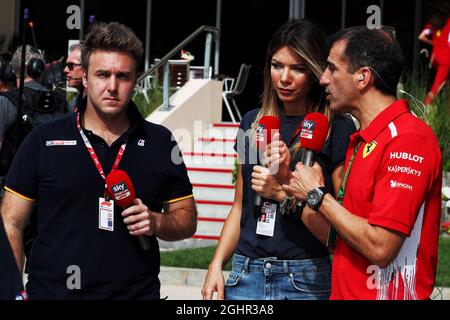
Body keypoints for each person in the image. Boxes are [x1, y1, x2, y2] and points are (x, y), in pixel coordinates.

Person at [1, 22, 197, 299]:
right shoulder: (43, 139)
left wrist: (156, 222)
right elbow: (11, 221)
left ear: (136, 79)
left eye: (123, 76)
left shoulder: (160, 142)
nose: (112, 87)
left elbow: (187, 219)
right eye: (102, 75)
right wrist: (12, 291)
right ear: (85, 77)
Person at [201, 19, 356, 300]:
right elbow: (240, 207)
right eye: (277, 65)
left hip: (304, 277)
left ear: (315, 72)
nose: (284, 78)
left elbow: (339, 230)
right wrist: (216, 264)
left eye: (297, 68)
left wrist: (284, 193)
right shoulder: (252, 121)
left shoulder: (336, 127)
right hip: (245, 273)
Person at [284, 27, 442, 300]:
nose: (322, 79)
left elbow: (380, 247)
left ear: (362, 77)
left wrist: (318, 196)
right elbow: (343, 239)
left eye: (332, 69)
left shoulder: (408, 139)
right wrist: (291, 189)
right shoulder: (363, 141)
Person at [418, 0, 450, 106]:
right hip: (447, 57)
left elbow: (421, 37)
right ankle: (423, 110)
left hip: (436, 56)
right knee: (436, 88)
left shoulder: (433, 23)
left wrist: (434, 43)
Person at [64, 43, 84, 111]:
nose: (65, 70)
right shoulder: (72, 104)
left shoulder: (98, 105)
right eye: (66, 65)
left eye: (71, 65)